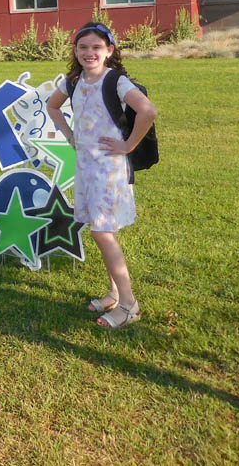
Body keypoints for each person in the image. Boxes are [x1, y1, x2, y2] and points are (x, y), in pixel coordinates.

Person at [46, 22, 157, 329]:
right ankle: (114, 293)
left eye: (96, 47)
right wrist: (70, 135)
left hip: (110, 171)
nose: (89, 52)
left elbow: (147, 111)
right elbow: (52, 106)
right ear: (75, 51)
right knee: (100, 227)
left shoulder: (116, 81)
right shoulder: (72, 81)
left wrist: (127, 145)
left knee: (101, 232)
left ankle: (129, 305)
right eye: (83, 47)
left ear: (109, 51)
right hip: (86, 166)